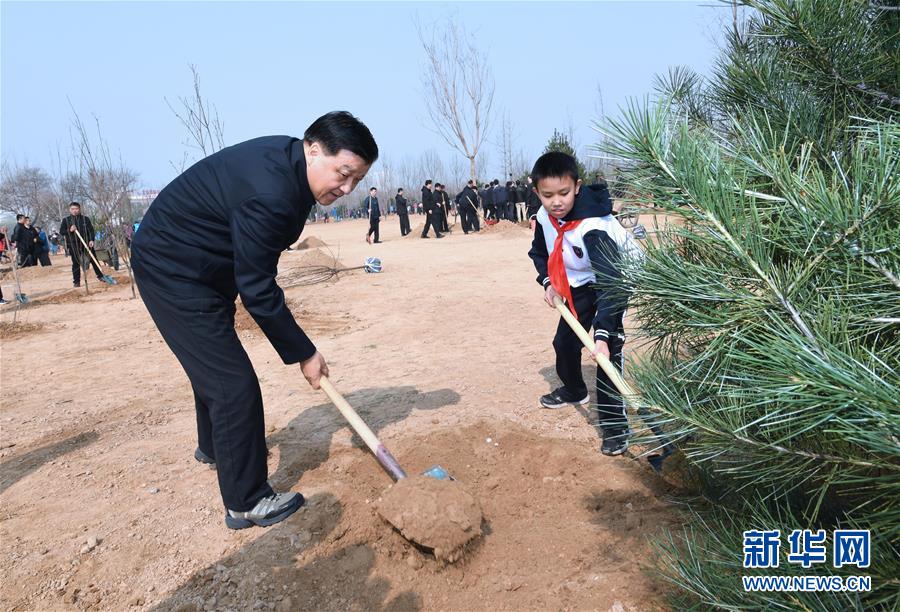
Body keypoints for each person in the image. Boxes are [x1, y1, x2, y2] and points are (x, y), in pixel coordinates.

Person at [131, 111, 378, 529]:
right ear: (314, 150)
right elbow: (258, 291)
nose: (347, 188)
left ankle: (214, 446)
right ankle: (245, 499)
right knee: (232, 383)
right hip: (173, 267)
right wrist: (304, 353)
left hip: (203, 263)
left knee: (214, 361)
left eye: (356, 179)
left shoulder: (289, 165)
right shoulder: (273, 191)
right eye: (343, 173)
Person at [526, 152, 642, 456]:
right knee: (564, 342)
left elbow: (612, 281)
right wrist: (549, 283)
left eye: (564, 193)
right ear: (536, 191)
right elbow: (539, 253)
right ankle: (575, 389)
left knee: (606, 356)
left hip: (613, 281)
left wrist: (603, 336)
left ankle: (616, 428)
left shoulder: (594, 227)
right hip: (579, 281)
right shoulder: (543, 217)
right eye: (547, 195)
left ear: (577, 186)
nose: (556, 202)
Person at [60, 202, 107, 286]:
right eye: (73, 209)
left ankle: (101, 276)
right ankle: (76, 282)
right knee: (76, 262)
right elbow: (61, 231)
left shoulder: (85, 219)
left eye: (76, 209)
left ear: (79, 209)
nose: (75, 211)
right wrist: (69, 230)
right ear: (70, 210)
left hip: (86, 243)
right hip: (73, 244)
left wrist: (91, 240)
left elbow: (91, 231)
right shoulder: (66, 220)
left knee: (93, 259)